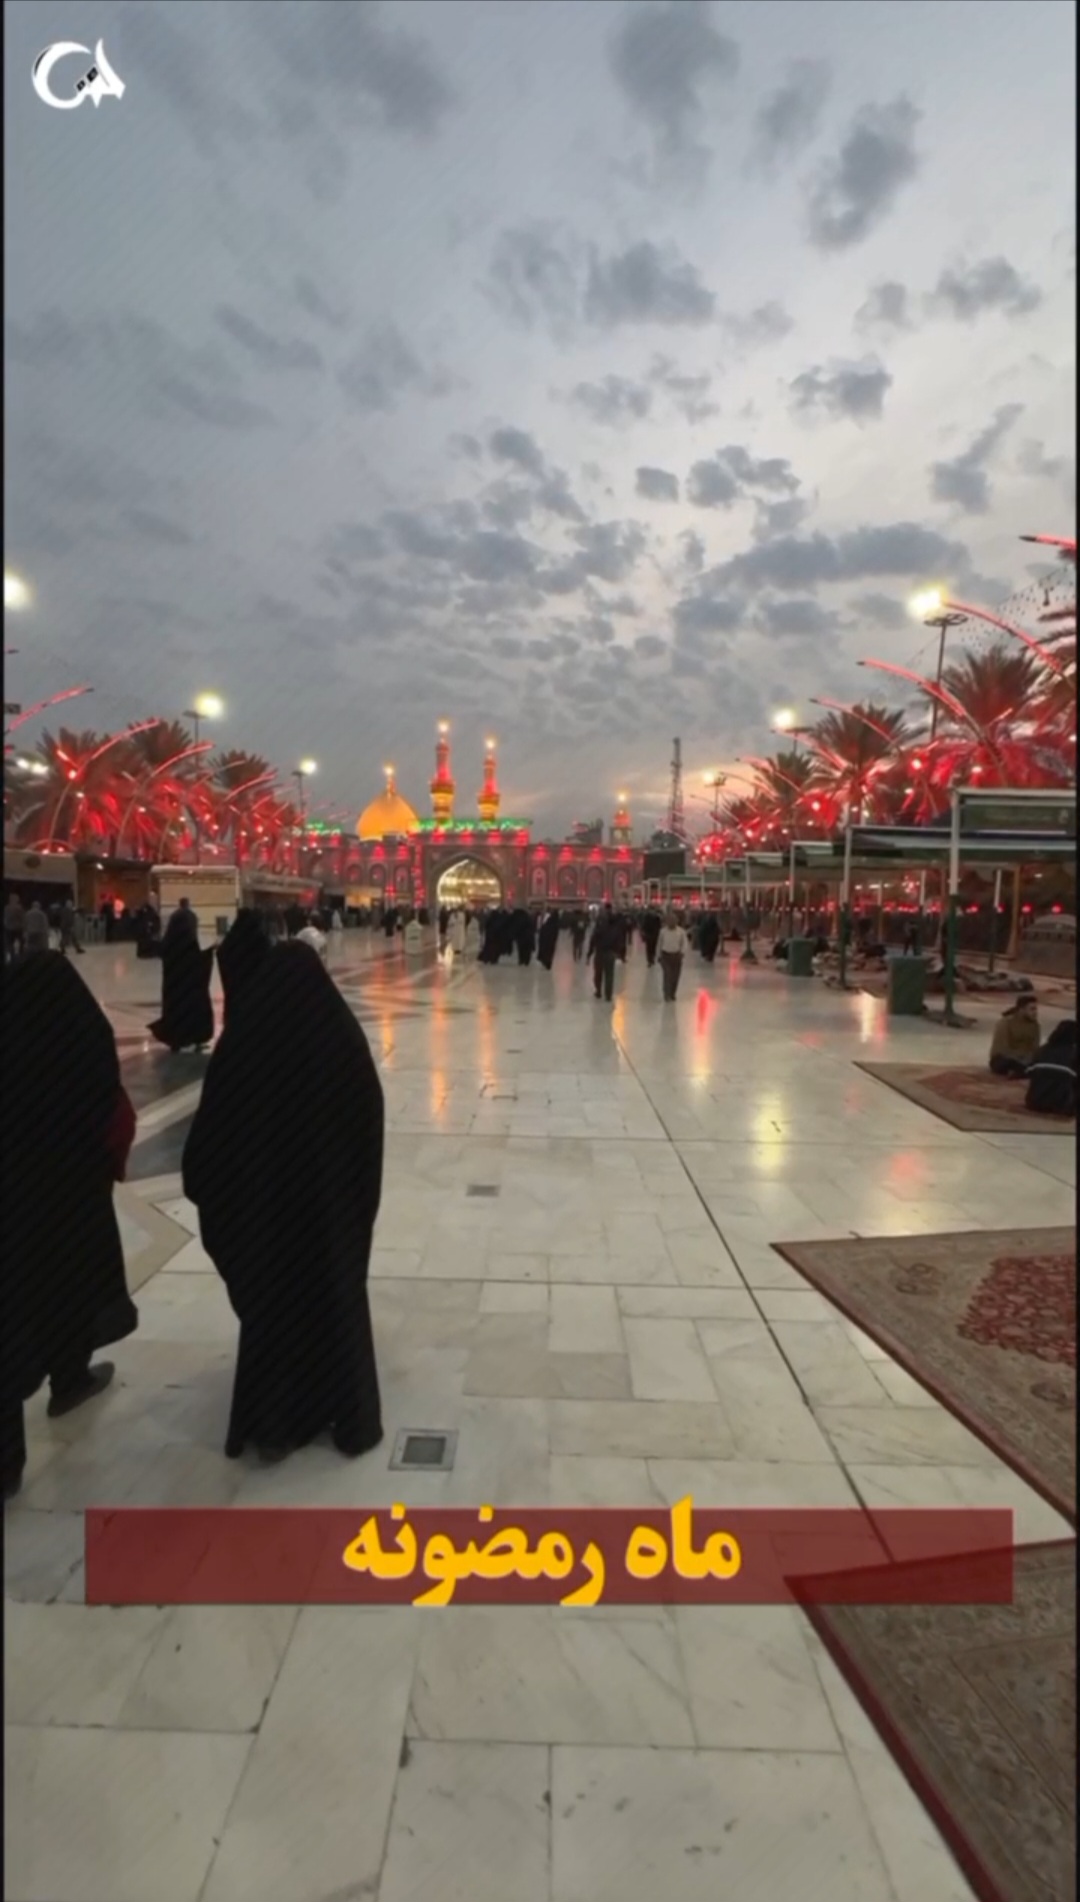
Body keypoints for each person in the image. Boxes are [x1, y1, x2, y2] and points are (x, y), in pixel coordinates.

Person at [181, 941, 384, 1463]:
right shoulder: (341, 1039)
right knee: (331, 1298)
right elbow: (367, 1129)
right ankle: (340, 1404)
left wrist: (229, 1199)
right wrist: (351, 1203)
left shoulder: (244, 1043)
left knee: (274, 1307)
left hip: (263, 1221)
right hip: (328, 1219)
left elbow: (207, 1145)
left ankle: (274, 1421)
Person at [3, 954, 138, 1499]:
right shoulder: (80, 1032)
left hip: (12, 1191)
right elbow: (107, 1096)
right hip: (73, 1187)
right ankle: (69, 1376)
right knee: (70, 1276)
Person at [150, 899, 215, 1052]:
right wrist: (209, 953)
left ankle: (176, 1040)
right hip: (191, 992)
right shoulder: (189, 944)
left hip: (174, 992)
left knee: (176, 1012)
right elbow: (198, 963)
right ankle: (197, 1038)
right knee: (195, 1009)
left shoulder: (170, 946)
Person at [217, 909, 272, 1024]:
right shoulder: (260, 940)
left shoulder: (231, 939)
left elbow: (221, 954)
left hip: (234, 999)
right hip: (256, 1000)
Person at [1024, 1019, 1077, 1117]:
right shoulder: (1073, 1053)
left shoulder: (1042, 1050)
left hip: (1034, 1102)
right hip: (1061, 1106)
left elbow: (1027, 1071)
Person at [989, 997, 1041, 1078]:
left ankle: (1021, 1071)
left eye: (1035, 1009)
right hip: (1005, 1058)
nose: (1035, 1012)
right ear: (1021, 1010)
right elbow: (1002, 1049)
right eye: (1032, 1009)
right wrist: (1020, 1058)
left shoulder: (1034, 1025)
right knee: (1005, 1063)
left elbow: (1035, 1047)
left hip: (1025, 1059)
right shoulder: (1006, 1023)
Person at [588, 903, 621, 1002]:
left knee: (598, 973)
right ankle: (608, 994)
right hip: (611, 952)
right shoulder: (615, 922)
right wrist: (618, 952)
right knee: (609, 974)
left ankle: (598, 991)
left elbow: (594, 937)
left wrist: (590, 952)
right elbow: (619, 938)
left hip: (600, 951)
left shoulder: (600, 922)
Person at [658, 910, 689, 1001]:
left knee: (675, 976)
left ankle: (672, 993)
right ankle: (666, 994)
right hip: (666, 956)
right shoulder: (663, 932)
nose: (671, 922)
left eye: (674, 920)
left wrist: (682, 953)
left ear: (677, 921)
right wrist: (659, 955)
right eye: (670, 920)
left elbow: (684, 943)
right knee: (667, 975)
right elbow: (659, 944)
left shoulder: (681, 932)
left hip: (676, 956)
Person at [537, 907, 560, 971]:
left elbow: (543, 930)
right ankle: (548, 963)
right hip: (552, 941)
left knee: (546, 951)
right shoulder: (556, 923)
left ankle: (545, 961)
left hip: (546, 939)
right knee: (550, 952)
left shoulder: (548, 922)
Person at [4, 892, 26, 962]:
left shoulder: (6, 908)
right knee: (21, 942)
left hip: (9, 928)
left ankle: (12, 956)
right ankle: (21, 956)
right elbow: (22, 918)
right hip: (18, 928)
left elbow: (6, 918)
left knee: (10, 943)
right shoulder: (19, 908)